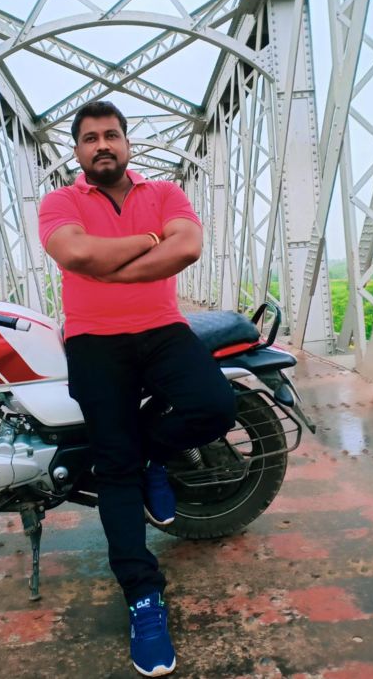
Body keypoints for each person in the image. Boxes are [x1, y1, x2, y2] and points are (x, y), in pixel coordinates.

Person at [39, 100, 235, 677]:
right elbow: (75, 252)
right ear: (77, 151)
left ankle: (152, 454)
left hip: (163, 329)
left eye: (112, 135)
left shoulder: (166, 192)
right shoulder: (61, 201)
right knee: (114, 468)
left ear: (128, 144)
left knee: (213, 406)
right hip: (93, 339)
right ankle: (143, 597)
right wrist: (150, 241)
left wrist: (108, 268)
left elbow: (187, 247)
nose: (102, 145)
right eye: (90, 138)